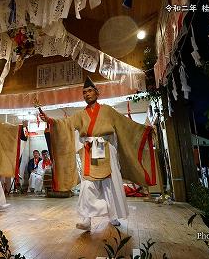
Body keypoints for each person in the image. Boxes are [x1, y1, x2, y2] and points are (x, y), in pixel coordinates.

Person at [39, 77, 156, 231]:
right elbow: (65, 124)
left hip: (106, 149)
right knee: (87, 185)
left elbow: (124, 124)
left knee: (110, 184)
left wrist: (145, 129)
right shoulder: (80, 115)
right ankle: (86, 219)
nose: (87, 94)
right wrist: (50, 120)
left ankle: (113, 215)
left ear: (97, 93)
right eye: (84, 92)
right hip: (89, 151)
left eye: (89, 91)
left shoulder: (107, 110)